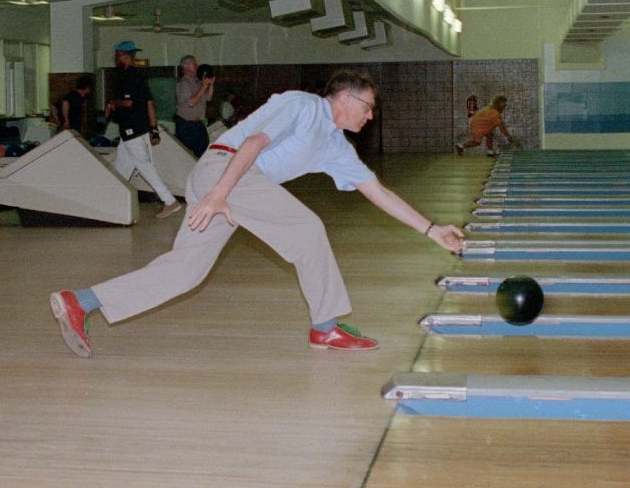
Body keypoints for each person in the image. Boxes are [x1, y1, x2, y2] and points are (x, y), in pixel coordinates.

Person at [48, 69, 466, 358]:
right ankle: (325, 327)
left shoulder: (337, 145)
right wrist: (218, 194)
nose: (371, 115)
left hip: (231, 186)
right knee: (307, 229)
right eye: (368, 107)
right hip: (227, 170)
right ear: (344, 99)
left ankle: (80, 301)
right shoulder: (303, 105)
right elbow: (253, 144)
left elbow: (376, 191)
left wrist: (431, 230)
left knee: (185, 272)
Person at [103, 40, 181, 220]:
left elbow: (129, 102)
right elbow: (149, 103)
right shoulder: (139, 76)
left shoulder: (127, 76)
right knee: (121, 169)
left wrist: (113, 102)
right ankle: (114, 202)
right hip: (136, 130)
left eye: (117, 54)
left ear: (125, 55)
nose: (115, 57)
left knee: (144, 166)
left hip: (132, 129)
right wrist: (153, 129)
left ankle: (169, 201)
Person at [173, 55, 214, 157]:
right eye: (194, 64)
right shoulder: (183, 84)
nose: (197, 66)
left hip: (198, 124)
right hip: (186, 126)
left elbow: (208, 97)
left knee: (204, 153)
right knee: (185, 156)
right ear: (186, 67)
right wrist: (204, 86)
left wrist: (210, 84)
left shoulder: (197, 82)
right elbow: (191, 102)